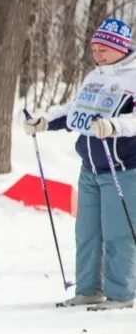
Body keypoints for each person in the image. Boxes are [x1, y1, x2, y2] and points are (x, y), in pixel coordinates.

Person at [25, 18, 136, 311]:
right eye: (94, 49)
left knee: (117, 232)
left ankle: (121, 293)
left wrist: (114, 126)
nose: (97, 54)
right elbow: (76, 110)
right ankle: (88, 289)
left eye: (104, 49)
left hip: (122, 167)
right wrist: (45, 121)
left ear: (121, 48)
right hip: (90, 167)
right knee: (87, 232)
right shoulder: (95, 76)